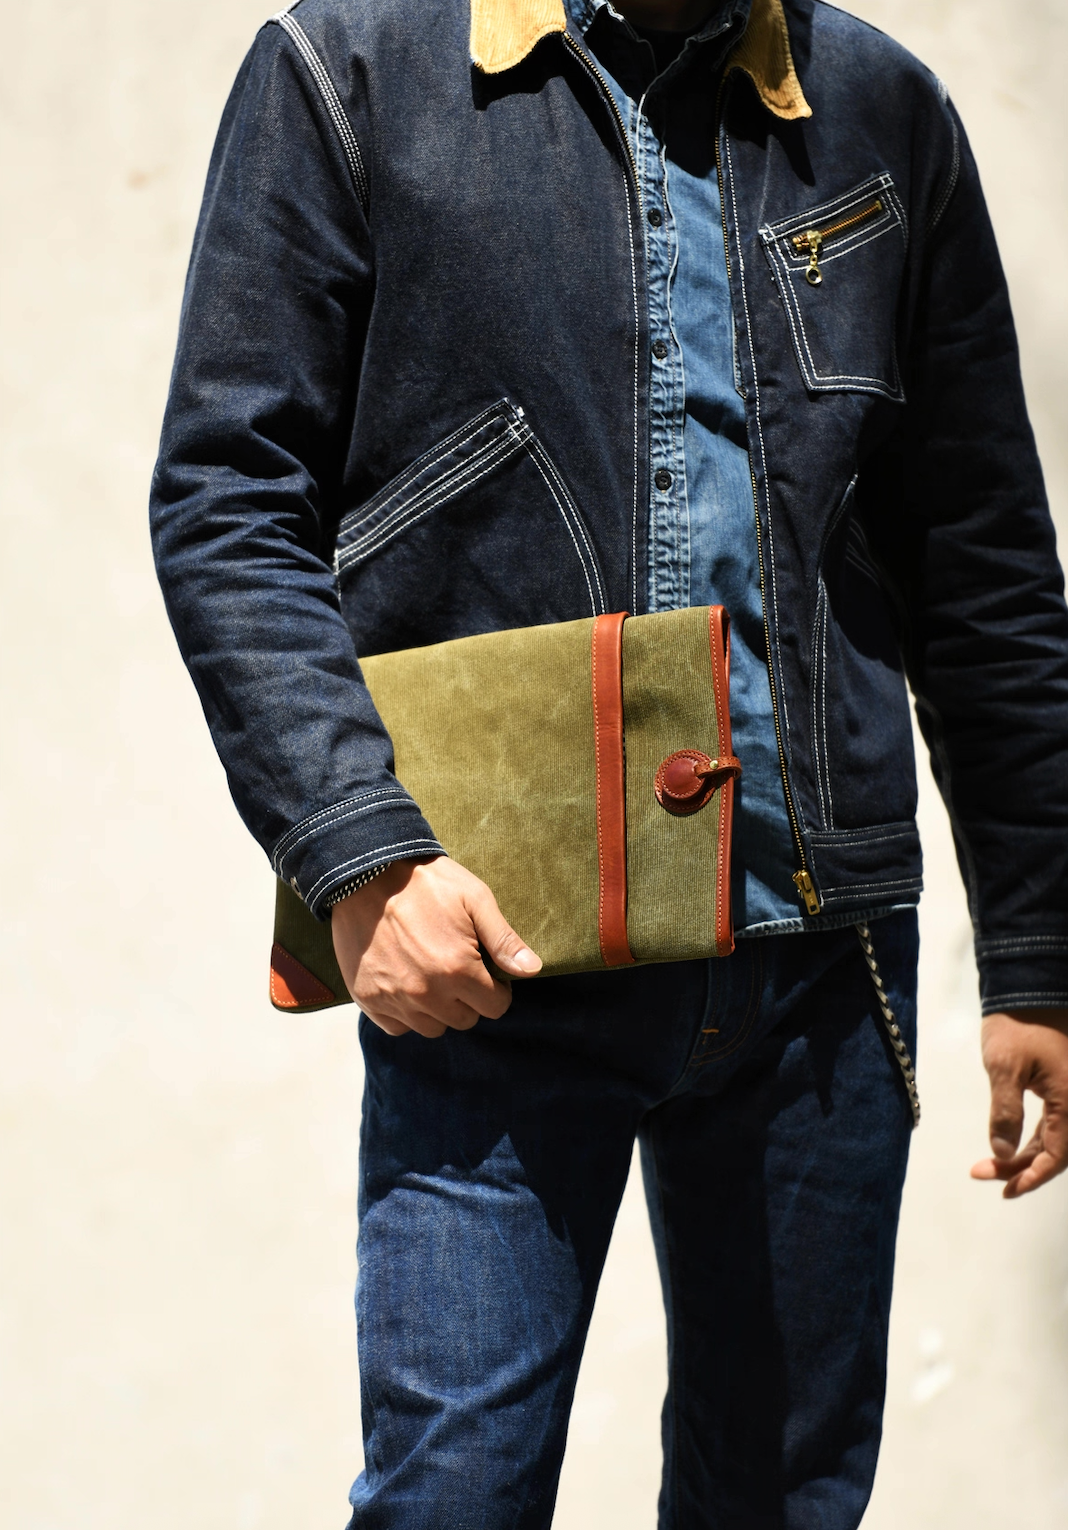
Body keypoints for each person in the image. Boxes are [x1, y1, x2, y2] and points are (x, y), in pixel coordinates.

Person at [150, 0, 1068, 1523]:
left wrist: (1039, 945)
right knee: (456, 1497)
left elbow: (980, 562)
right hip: (497, 965)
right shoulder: (350, 70)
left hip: (821, 975)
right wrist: (360, 851)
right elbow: (228, 500)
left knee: (777, 1499)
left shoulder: (880, 109)